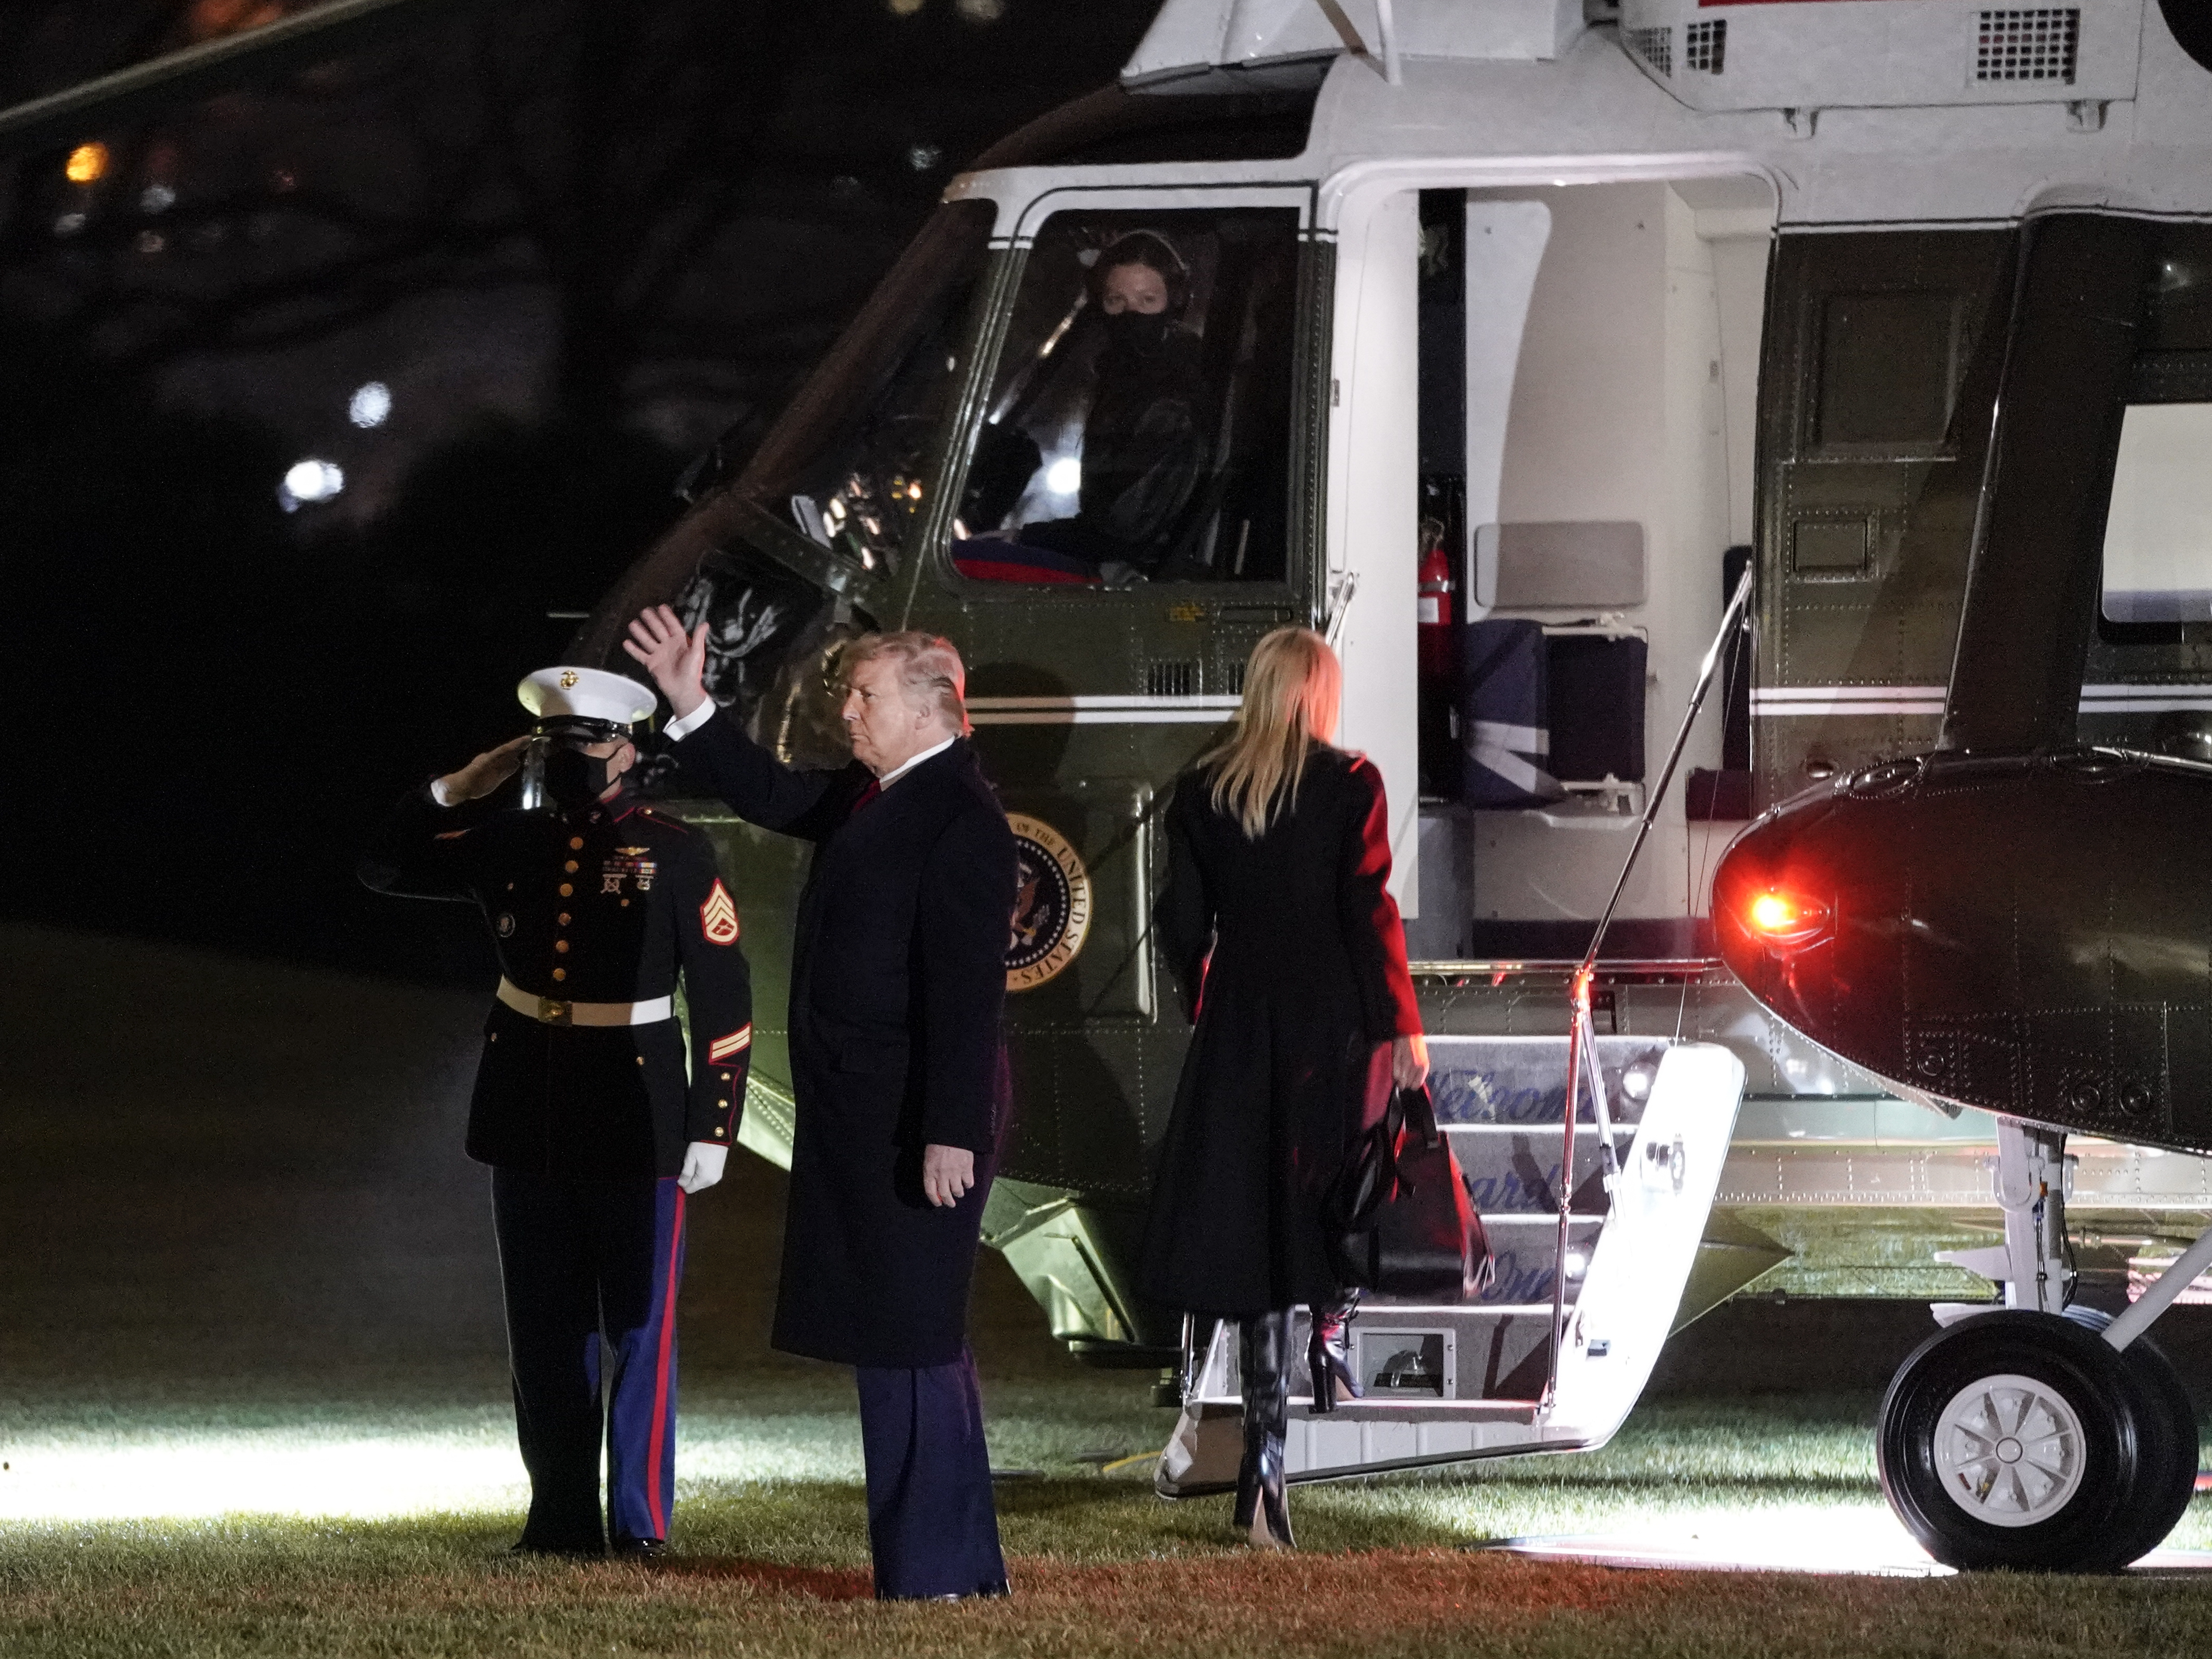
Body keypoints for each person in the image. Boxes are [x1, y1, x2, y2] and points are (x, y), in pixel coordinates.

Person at [623, 605, 1016, 1602]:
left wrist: (950, 1131)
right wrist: (690, 704)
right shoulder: (876, 794)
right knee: (902, 1333)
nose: (847, 710)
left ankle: (935, 1572)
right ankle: (943, 1568)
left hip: (914, 1121)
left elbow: (966, 994)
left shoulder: (961, 819)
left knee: (910, 1334)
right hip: (867, 1115)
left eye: (865, 694)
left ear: (933, 708)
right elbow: (773, 792)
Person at [359, 666, 753, 1559]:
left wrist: (713, 1126)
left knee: (641, 1329)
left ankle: (641, 1525)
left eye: (588, 743)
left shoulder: (677, 851)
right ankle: (561, 1519)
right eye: (558, 745)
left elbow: (726, 1001)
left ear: (627, 749)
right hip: (528, 1107)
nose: (574, 760)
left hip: (640, 1114)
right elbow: (383, 866)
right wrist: (462, 786)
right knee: (544, 1327)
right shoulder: (511, 840)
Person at [1141, 626, 1429, 1550]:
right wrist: (1401, 1026)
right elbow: (1367, 911)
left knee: (1256, 1245)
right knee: (1334, 1214)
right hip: (1330, 1031)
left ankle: (1263, 1479)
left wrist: (1208, 1001)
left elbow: (1181, 924)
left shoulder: (1203, 790)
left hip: (1241, 1033)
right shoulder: (1350, 785)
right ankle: (1327, 1352)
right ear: (1319, 694)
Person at [1015, 230, 1210, 581]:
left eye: (1147, 300)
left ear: (1174, 303)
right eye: (1115, 300)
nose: (1130, 314)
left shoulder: (1169, 395)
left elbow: (1125, 529)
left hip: (1130, 576)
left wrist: (1031, 538)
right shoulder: (1120, 379)